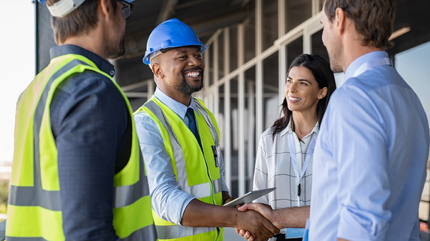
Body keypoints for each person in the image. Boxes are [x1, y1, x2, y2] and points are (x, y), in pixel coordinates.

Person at [6, 0, 157, 240]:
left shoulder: (34, 90)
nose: (124, 20)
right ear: (106, 6)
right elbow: (88, 233)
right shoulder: (92, 93)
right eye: (124, 8)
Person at [134, 18, 279, 241]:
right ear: (157, 69)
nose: (196, 62)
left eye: (198, 55)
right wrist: (235, 219)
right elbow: (164, 198)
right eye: (183, 56)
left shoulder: (203, 114)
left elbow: (214, 181)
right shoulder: (146, 123)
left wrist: (236, 207)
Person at [309, 0, 430, 240]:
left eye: (323, 25)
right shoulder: (409, 96)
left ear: (340, 19)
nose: (323, 38)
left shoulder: (353, 98)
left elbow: (360, 226)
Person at [251, 53, 336, 241]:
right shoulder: (269, 139)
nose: (292, 89)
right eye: (289, 81)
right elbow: (260, 199)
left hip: (325, 236)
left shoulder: (335, 138)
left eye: (303, 83)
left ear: (322, 92)